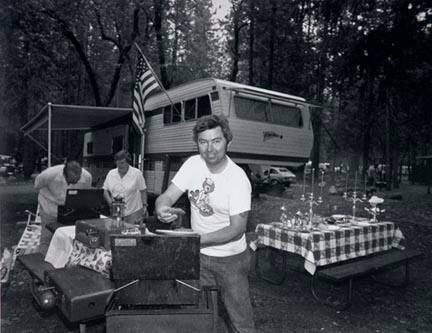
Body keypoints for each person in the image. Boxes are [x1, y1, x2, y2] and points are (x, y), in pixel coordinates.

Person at [155, 115, 256, 333]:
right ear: (197, 143)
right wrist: (161, 208)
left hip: (231, 260)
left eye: (216, 141)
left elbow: (237, 229)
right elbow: (167, 196)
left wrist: (194, 239)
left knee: (241, 321)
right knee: (199, 317)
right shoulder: (192, 164)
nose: (209, 149)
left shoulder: (238, 179)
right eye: (203, 142)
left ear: (227, 140)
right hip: (198, 257)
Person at [34, 159, 92, 255]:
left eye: (76, 181)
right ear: (65, 174)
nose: (73, 183)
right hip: (49, 209)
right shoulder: (49, 174)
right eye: (71, 180)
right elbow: (36, 186)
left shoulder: (87, 177)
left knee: (69, 238)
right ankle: (41, 263)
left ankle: (63, 263)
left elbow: (84, 194)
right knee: (47, 238)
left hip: (70, 211)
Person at [103, 150, 148, 224]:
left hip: (134, 212)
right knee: (117, 232)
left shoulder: (137, 173)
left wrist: (144, 206)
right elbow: (105, 190)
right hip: (116, 212)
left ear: (128, 162)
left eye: (122, 163)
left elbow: (143, 190)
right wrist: (110, 204)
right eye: (117, 163)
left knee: (131, 233)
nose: (120, 165)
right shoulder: (111, 173)